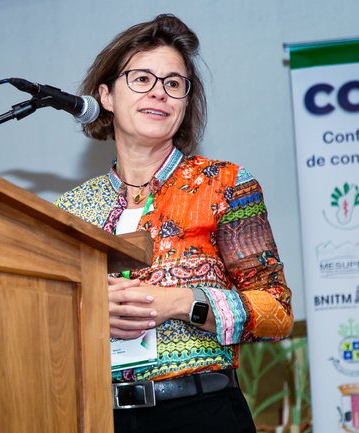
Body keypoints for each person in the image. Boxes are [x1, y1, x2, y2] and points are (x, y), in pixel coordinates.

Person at [54, 14, 293, 433]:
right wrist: (89, 310)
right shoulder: (71, 209)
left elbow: (276, 311)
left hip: (201, 413)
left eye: (174, 83)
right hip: (97, 417)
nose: (160, 93)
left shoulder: (225, 185)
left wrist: (183, 303)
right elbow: (48, 321)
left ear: (185, 102)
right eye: (142, 79)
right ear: (106, 95)